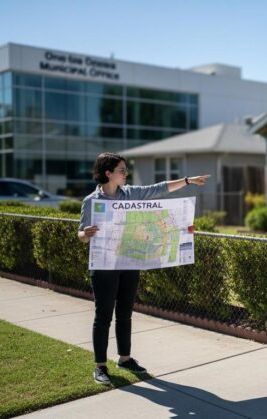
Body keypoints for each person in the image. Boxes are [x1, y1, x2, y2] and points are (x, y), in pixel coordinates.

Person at [78, 152, 209, 385]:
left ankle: (125, 359)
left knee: (125, 313)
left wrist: (187, 181)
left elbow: (159, 189)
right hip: (104, 267)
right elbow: (81, 234)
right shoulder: (92, 201)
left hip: (129, 262)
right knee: (103, 316)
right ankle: (100, 366)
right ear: (108, 173)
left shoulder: (131, 194)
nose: (125, 173)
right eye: (121, 170)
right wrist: (85, 234)